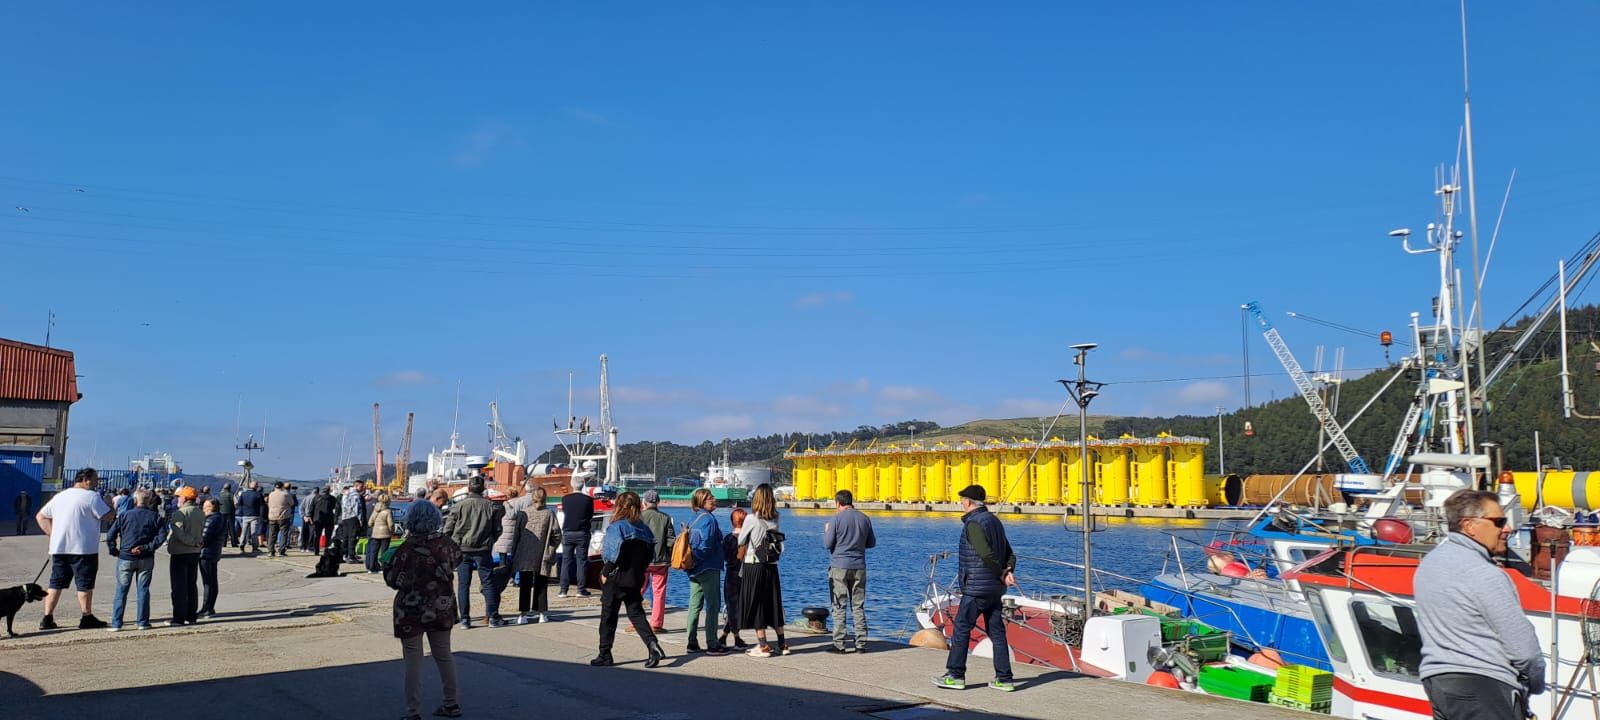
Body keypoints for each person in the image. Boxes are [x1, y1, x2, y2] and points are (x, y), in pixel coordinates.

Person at [1416, 489, 1545, 720]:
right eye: (1499, 522)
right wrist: (1536, 684)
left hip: (1439, 685)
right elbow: (1523, 649)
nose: (1508, 528)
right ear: (1469, 526)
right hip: (1484, 688)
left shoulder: (1429, 563)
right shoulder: (1483, 573)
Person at [384, 500, 462, 720]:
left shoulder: (406, 549)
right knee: (444, 655)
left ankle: (413, 711)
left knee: (413, 660)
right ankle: (451, 703)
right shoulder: (447, 544)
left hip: (411, 609)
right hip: (441, 605)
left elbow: (394, 580)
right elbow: (458, 560)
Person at [935, 485, 1018, 692]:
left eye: (962, 500)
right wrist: (1007, 571)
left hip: (976, 588)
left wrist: (1001, 573)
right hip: (995, 590)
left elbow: (985, 554)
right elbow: (1010, 553)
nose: (961, 503)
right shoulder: (995, 521)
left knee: (961, 629)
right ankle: (1004, 679)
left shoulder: (973, 524)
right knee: (997, 633)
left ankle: (955, 675)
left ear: (969, 502)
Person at [591, 491, 665, 668]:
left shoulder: (617, 527)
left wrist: (605, 573)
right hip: (635, 577)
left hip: (616, 577)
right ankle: (652, 644)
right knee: (636, 613)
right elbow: (650, 554)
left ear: (619, 506)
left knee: (608, 616)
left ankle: (605, 654)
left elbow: (611, 554)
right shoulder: (644, 529)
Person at [35, 468, 113, 630]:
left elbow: (41, 516)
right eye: (95, 479)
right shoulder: (91, 497)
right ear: (86, 480)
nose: (97, 482)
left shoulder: (60, 496)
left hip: (59, 548)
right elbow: (108, 516)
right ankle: (86, 616)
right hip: (84, 549)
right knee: (84, 584)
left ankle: (47, 617)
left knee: (55, 583)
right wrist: (110, 505)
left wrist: (53, 535)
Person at [443, 476, 505, 628]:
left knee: (463, 585)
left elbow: (447, 530)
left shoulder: (458, 506)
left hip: (462, 549)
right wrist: (490, 541)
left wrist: (453, 545)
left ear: (469, 488)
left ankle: (465, 619)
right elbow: (498, 529)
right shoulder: (491, 506)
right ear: (483, 488)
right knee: (488, 582)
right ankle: (493, 617)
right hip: (483, 549)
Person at [104, 489, 167, 631]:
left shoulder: (124, 515)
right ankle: (142, 622)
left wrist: (114, 550)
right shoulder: (155, 517)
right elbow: (161, 537)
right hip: (146, 557)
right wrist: (147, 547)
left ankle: (117, 622)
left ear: (134, 501)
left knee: (121, 590)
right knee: (143, 589)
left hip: (126, 556)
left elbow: (110, 536)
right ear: (149, 501)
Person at [738, 483, 788, 658]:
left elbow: (741, 540)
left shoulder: (751, 519)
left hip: (754, 564)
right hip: (772, 565)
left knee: (757, 604)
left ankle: (763, 645)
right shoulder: (776, 517)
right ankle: (782, 643)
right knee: (774, 603)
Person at [823, 489, 876, 653]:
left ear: (838, 503)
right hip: (859, 566)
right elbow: (871, 543)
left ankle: (839, 644)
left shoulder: (836, 519)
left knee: (839, 605)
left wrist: (827, 530)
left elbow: (827, 544)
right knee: (858, 606)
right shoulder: (865, 519)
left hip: (839, 566)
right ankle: (861, 643)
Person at [682, 488, 728, 654]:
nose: (714, 500)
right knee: (713, 605)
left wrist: (692, 562)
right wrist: (698, 559)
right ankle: (712, 643)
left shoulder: (693, 518)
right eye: (710, 498)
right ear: (702, 501)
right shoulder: (709, 519)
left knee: (694, 605)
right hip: (708, 567)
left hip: (693, 569)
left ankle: (692, 642)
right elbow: (706, 545)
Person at [511, 486, 560, 624]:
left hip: (524, 552)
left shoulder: (523, 513)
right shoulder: (549, 514)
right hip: (542, 553)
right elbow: (557, 534)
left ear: (533, 498)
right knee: (541, 583)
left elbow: (516, 535)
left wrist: (514, 552)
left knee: (525, 584)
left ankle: (523, 615)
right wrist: (551, 548)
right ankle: (542, 613)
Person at [166, 485, 204, 626]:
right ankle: (191, 615)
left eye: (180, 497)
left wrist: (192, 542)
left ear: (185, 498)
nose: (178, 499)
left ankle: (179, 617)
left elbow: (179, 533)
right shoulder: (200, 513)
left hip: (181, 552)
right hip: (194, 552)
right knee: (191, 585)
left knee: (178, 587)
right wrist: (197, 543)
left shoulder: (179, 514)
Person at [639, 490, 675, 633]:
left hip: (642, 561)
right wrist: (670, 556)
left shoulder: (639, 517)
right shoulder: (665, 518)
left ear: (644, 502)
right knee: (659, 592)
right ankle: (656, 624)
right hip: (661, 561)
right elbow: (671, 541)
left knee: (638, 590)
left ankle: (636, 621)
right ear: (658, 502)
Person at [558, 474, 596, 598]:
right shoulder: (588, 500)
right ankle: (581, 589)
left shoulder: (565, 499)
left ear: (572, 485)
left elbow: (566, 512)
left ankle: (563, 590)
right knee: (581, 561)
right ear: (583, 484)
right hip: (582, 532)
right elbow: (590, 515)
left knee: (566, 561)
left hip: (568, 532)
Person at [717, 507, 749, 650]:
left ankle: (727, 637)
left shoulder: (728, 539)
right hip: (746, 574)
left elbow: (723, 556)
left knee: (732, 606)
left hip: (731, 574)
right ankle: (733, 637)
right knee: (738, 607)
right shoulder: (748, 539)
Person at [199, 498, 227, 618]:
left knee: (208, 582)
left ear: (210, 508)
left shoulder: (211, 519)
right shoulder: (221, 518)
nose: (203, 509)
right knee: (212, 581)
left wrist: (195, 544)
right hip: (214, 551)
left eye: (205, 507)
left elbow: (205, 537)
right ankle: (210, 607)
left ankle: (207, 608)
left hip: (207, 553)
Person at [339, 481, 369, 563]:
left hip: (345, 518)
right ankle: (351, 556)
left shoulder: (346, 494)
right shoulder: (355, 495)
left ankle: (343, 555)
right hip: (353, 518)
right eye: (361, 487)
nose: (362, 488)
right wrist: (360, 519)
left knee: (345, 537)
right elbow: (357, 508)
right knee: (353, 537)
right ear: (356, 486)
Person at [367, 492, 395, 574]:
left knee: (374, 551)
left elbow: (369, 523)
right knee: (384, 551)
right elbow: (391, 524)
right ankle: (383, 567)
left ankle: (371, 568)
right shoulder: (388, 511)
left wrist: (374, 526)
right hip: (385, 533)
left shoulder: (375, 510)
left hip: (375, 533)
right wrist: (392, 531)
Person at [236, 481, 264, 555]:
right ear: (256, 486)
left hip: (245, 515)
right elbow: (262, 505)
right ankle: (254, 547)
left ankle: (242, 545)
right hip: (255, 515)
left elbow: (239, 504)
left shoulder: (243, 494)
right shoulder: (258, 494)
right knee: (254, 532)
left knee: (244, 531)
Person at [267, 482, 295, 557]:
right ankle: (281, 550)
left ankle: (271, 550)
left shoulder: (271, 494)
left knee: (272, 534)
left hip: (272, 516)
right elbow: (292, 503)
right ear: (282, 487)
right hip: (283, 516)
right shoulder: (286, 494)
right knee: (284, 534)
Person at [216, 483, 236, 548]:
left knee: (223, 528)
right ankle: (234, 543)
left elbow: (218, 503)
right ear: (230, 488)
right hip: (230, 512)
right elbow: (236, 503)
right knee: (231, 528)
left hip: (222, 512)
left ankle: (223, 543)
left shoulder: (220, 495)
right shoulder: (232, 495)